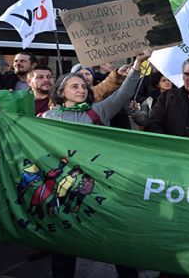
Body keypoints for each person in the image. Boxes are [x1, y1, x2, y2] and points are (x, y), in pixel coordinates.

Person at [42, 49, 151, 278]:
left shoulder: (97, 111)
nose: (81, 89)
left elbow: (122, 94)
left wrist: (137, 64)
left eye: (83, 86)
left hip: (99, 184)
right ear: (61, 92)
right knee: (64, 242)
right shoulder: (49, 118)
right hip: (65, 188)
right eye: (74, 86)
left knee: (114, 238)